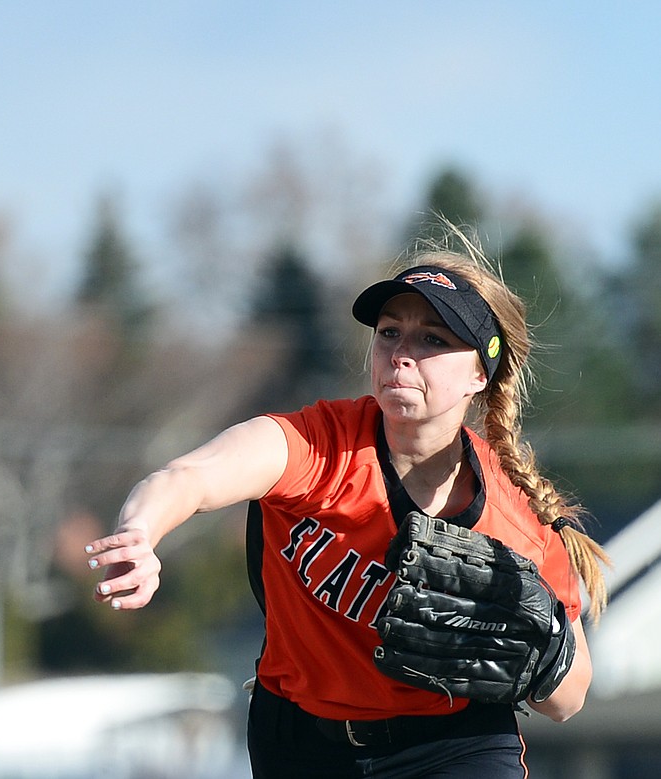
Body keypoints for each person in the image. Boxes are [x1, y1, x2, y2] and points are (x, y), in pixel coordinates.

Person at [84, 226, 609, 778]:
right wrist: (140, 532)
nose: (402, 354)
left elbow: (569, 700)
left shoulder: (514, 521)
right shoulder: (319, 445)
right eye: (389, 332)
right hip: (302, 741)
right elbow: (188, 476)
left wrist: (546, 649)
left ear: (480, 371)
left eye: (433, 339)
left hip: (450, 746)